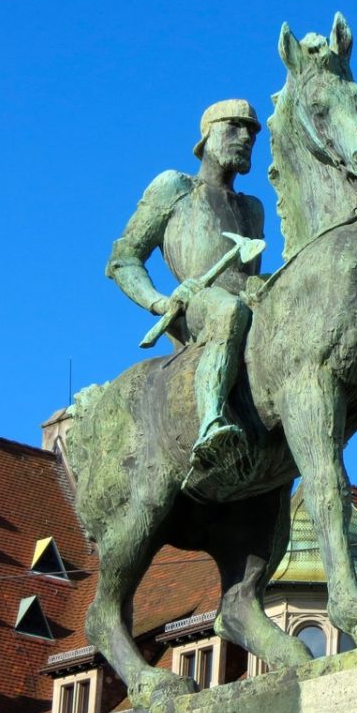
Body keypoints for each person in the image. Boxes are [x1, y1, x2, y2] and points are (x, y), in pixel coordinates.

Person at [106, 99, 264, 469]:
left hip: (248, 301)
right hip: (197, 308)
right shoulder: (174, 187)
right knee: (228, 310)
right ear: (207, 136)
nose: (245, 138)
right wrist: (160, 302)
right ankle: (211, 421)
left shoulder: (253, 208)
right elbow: (123, 259)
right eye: (234, 128)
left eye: (252, 132)